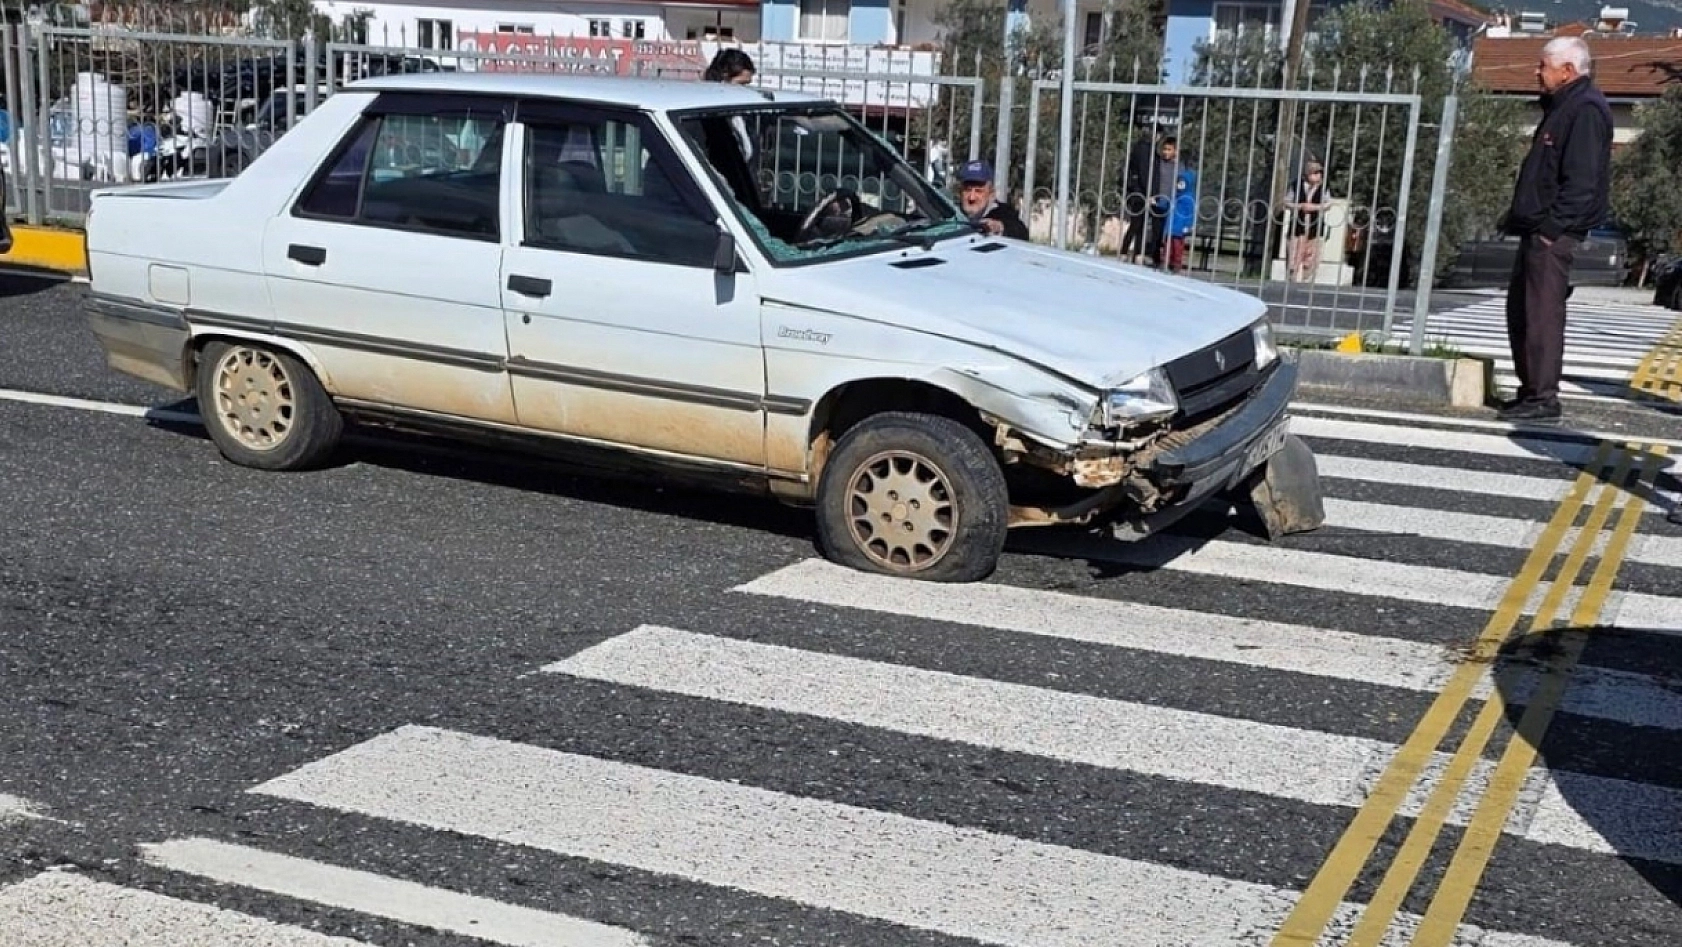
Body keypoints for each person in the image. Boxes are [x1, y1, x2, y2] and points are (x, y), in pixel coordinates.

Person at [1496, 35, 1612, 424]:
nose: (1536, 72)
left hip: (1552, 235)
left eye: (1543, 65)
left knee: (1542, 314)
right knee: (1523, 312)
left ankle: (1543, 397)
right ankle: (1531, 390)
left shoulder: (1585, 110)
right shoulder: (1563, 107)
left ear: (1567, 70)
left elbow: (1581, 182)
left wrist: (1550, 228)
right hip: (1537, 230)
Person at [955, 159, 1029, 239]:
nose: (972, 198)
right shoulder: (951, 212)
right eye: (967, 190)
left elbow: (1021, 233)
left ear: (991, 194)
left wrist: (998, 227)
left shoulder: (1004, 213)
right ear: (960, 192)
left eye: (978, 191)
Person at [1284, 161, 1329, 283]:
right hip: (1298, 224)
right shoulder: (1296, 185)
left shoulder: (1323, 188)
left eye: (1319, 173)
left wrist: (1314, 207)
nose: (1318, 176)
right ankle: (1292, 274)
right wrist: (1300, 206)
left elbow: (1327, 204)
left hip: (1314, 225)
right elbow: (1287, 202)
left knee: (1311, 253)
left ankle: (1306, 277)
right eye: (1315, 173)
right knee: (1293, 250)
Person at [1164, 168, 1198, 273]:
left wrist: (1188, 225)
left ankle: (1176, 264)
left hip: (1180, 227)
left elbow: (1190, 213)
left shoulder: (1189, 198)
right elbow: (1167, 205)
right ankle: (1165, 261)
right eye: (1178, 183)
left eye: (1182, 183)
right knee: (1167, 245)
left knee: (1177, 247)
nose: (1179, 185)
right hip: (1171, 225)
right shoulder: (1175, 196)